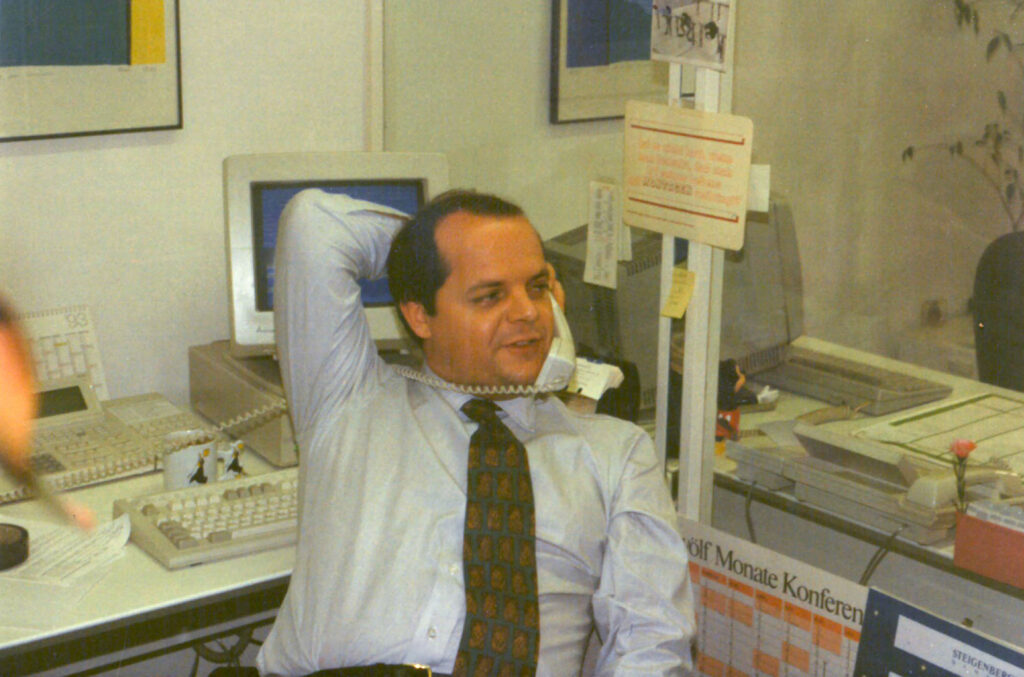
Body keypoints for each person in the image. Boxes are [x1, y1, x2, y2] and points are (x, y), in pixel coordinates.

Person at [255, 188, 695, 676]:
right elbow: (314, 224)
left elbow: (653, 643)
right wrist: (434, 245)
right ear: (419, 314)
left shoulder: (616, 453)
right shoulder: (349, 401)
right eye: (489, 295)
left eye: (537, 286)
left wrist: (486, 256)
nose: (528, 312)